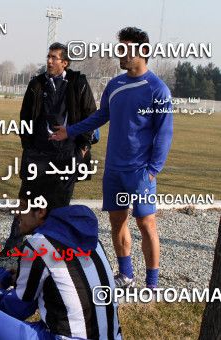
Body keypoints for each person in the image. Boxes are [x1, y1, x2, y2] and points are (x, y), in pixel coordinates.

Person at [51, 27, 174, 289]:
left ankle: (152, 284)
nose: (119, 53)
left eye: (124, 49)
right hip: (115, 170)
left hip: (141, 171)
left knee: (146, 223)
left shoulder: (157, 90)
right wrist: (70, 131)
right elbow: (100, 116)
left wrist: (152, 170)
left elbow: (164, 133)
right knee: (117, 221)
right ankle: (125, 274)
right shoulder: (115, 85)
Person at [0, 178, 122, 340]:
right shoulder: (92, 240)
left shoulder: (38, 244)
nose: (17, 213)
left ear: (40, 211)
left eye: (22, 206)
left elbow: (17, 309)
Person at [2, 42, 98, 254]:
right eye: (48, 56)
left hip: (67, 155)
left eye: (54, 57)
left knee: (58, 205)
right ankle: (13, 244)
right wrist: (29, 148)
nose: (49, 61)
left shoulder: (78, 83)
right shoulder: (37, 84)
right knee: (26, 200)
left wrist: (82, 149)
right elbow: (25, 118)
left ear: (65, 62)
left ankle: (49, 248)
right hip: (39, 153)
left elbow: (91, 115)